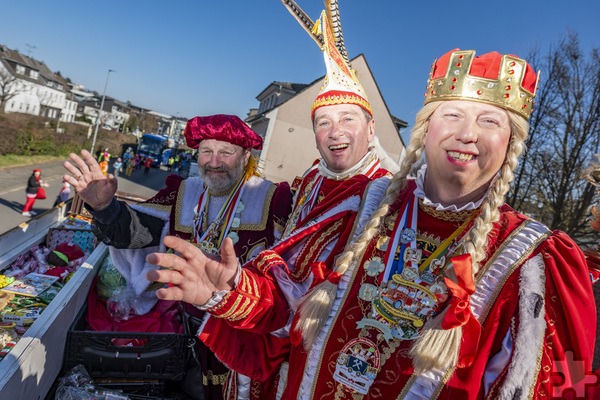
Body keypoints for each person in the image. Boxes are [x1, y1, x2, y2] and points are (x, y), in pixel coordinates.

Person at [146, 48, 597, 399]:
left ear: (511, 141)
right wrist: (225, 292)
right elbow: (290, 306)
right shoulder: (360, 207)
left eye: (490, 121)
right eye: (452, 115)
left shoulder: (537, 261)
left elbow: (559, 384)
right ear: (426, 130)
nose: (467, 134)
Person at [149, 6, 392, 399]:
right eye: (323, 122)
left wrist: (232, 291)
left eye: (347, 119)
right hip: (238, 324)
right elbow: (141, 225)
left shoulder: (382, 197)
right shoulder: (312, 179)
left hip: (304, 348)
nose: (335, 132)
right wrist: (104, 205)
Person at [63, 114, 293, 400]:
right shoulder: (185, 191)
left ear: (246, 155)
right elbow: (138, 233)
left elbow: (289, 275)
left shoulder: (274, 200)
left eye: (226, 152)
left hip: (241, 337)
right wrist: (105, 208)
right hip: (183, 327)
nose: (214, 161)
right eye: (206, 151)